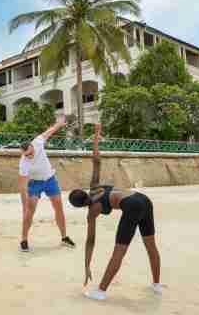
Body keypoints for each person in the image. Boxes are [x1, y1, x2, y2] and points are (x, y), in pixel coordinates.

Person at [68, 123, 162, 300]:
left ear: (79, 206)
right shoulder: (94, 187)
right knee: (151, 246)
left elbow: (90, 242)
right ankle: (156, 285)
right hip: (143, 199)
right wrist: (96, 135)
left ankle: (101, 291)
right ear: (83, 191)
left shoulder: (92, 212)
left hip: (132, 206)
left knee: (119, 251)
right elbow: (96, 160)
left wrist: (86, 266)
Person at [18, 115, 75, 252]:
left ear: (32, 147)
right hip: (34, 184)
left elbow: (50, 131)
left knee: (58, 207)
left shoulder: (37, 142)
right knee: (30, 212)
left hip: (50, 179)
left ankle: (64, 237)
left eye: (30, 154)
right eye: (26, 155)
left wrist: (59, 124)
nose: (29, 157)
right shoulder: (23, 163)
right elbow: (22, 187)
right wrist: (25, 205)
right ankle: (24, 239)